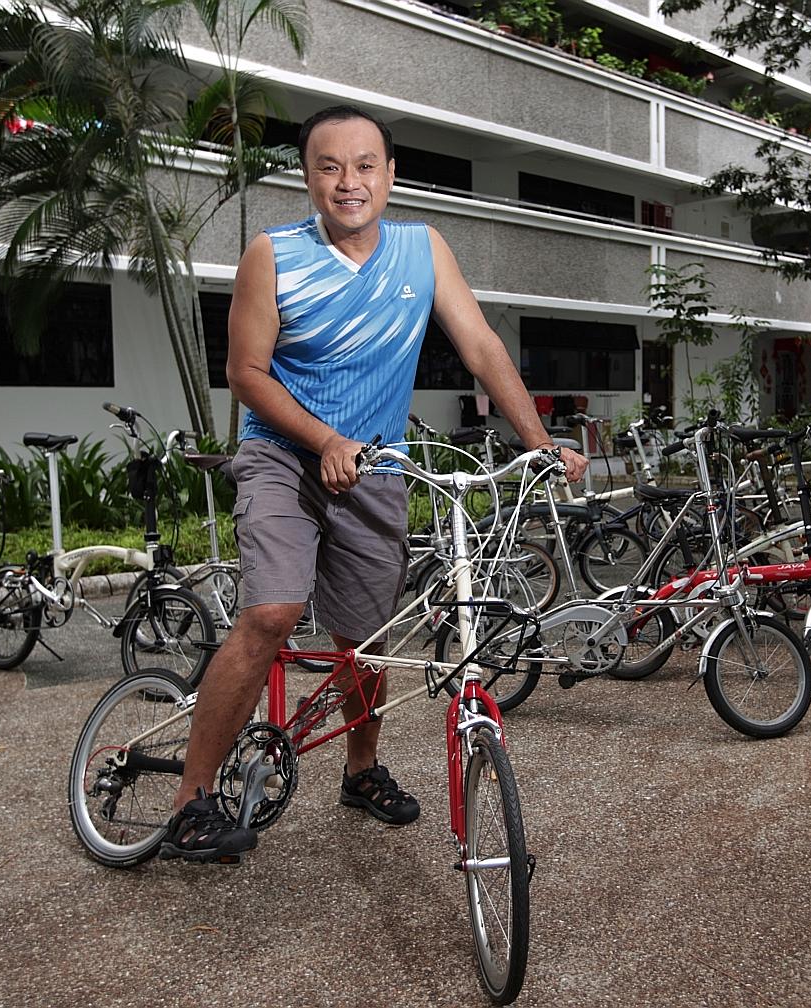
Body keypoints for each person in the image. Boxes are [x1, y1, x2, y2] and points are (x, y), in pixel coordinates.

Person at [161, 104, 588, 863]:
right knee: (272, 613)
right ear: (309, 177)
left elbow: (484, 348)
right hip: (283, 458)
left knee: (368, 640)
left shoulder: (422, 251)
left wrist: (539, 442)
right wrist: (324, 439)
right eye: (330, 167)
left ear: (390, 176)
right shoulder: (273, 254)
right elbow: (244, 374)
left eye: (365, 166)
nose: (348, 182)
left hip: (376, 469)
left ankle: (360, 772)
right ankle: (191, 799)